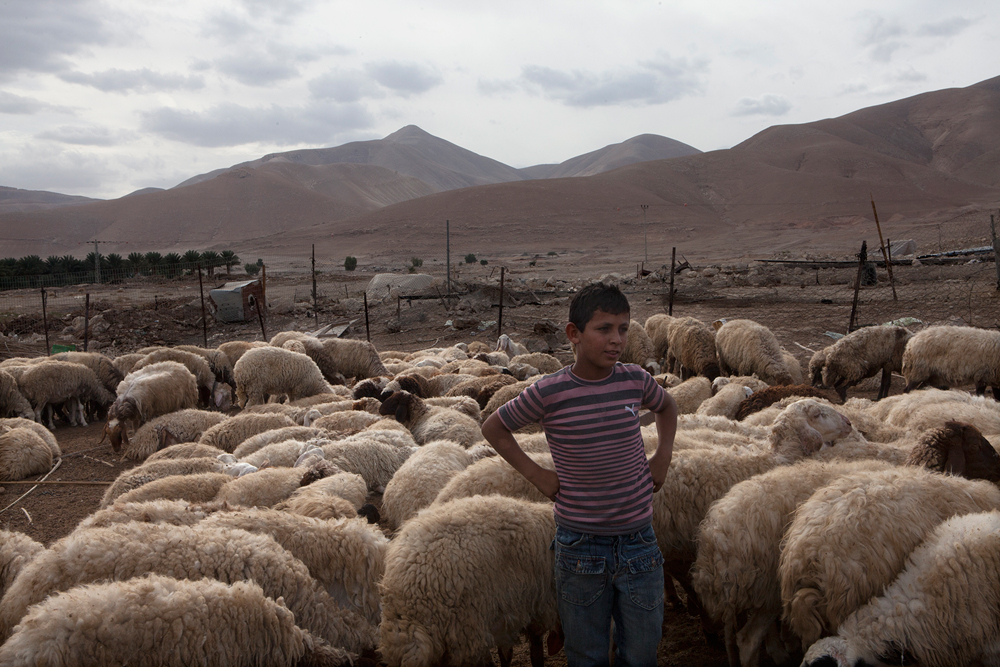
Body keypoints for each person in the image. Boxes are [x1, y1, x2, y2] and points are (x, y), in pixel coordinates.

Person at [481, 282, 678, 667]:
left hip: (639, 543)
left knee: (640, 653)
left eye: (623, 328)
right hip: (581, 547)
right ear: (574, 333)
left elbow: (667, 408)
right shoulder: (550, 392)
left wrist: (663, 455)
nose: (616, 339)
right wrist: (537, 475)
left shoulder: (634, 380)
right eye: (603, 329)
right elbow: (494, 428)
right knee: (586, 654)